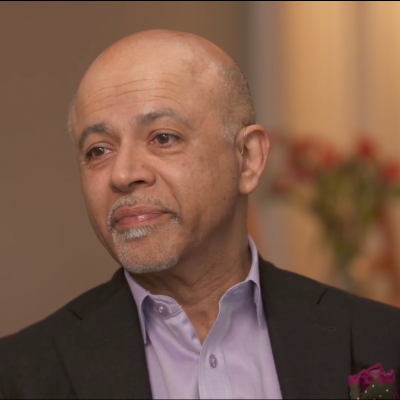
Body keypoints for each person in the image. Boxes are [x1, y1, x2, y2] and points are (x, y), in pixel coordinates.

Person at [1, 29, 400, 400]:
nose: (123, 174)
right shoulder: (20, 375)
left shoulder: (381, 340)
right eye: (98, 150)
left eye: (163, 138)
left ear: (247, 159)